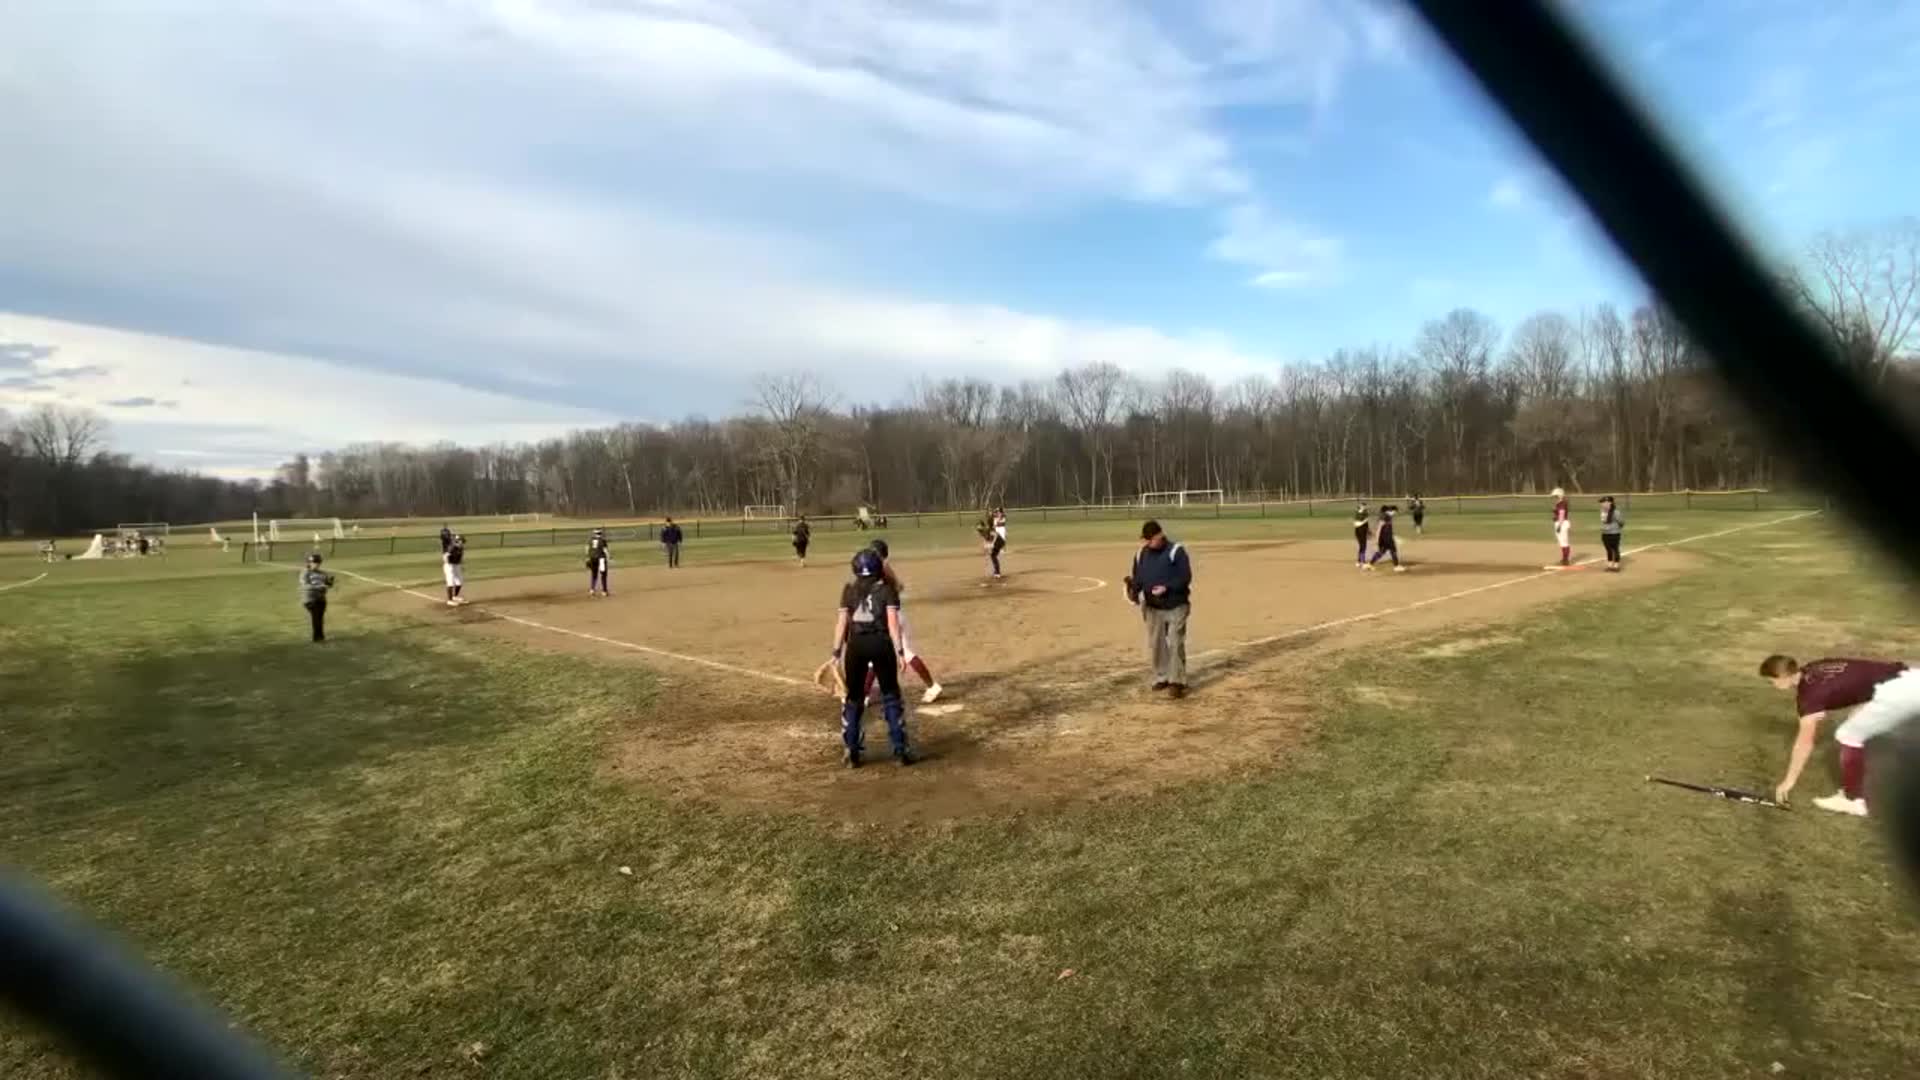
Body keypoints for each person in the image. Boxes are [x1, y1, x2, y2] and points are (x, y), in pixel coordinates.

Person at [1761, 655, 1920, 816]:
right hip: (1909, 677)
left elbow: (1805, 743)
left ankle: (1853, 801)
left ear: (1782, 677)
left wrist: (1788, 782)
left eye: (1771, 681)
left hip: (1903, 692)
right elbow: (1858, 676)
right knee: (1858, 724)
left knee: (1848, 735)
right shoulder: (1814, 666)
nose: (1772, 685)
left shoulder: (1809, 697)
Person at [828, 549, 914, 767]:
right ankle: (900, 748)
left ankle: (851, 751)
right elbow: (893, 624)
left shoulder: (849, 590)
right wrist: (900, 652)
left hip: (856, 646)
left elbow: (842, 623)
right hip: (881, 645)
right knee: (891, 695)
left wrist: (836, 653)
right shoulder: (887, 590)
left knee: (854, 697)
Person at [860, 538, 944, 704]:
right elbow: (900, 587)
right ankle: (865, 693)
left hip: (889, 617)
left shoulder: (880, 568)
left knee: (884, 654)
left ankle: (863, 695)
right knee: (890, 653)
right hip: (895, 614)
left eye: (872, 552)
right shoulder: (885, 567)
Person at [1125, 520, 1193, 699]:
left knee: (1176, 641)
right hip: (1153, 607)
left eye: (1151, 540)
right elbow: (1138, 578)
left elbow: (1185, 577)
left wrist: (1167, 588)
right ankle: (1162, 676)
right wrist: (1133, 591)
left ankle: (1177, 682)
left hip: (1176, 605)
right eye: (1146, 540)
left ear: (1159, 536)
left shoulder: (1175, 551)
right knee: (1157, 643)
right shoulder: (1141, 554)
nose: (1148, 543)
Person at [299, 552, 336, 643]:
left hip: (321, 599)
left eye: (318, 563)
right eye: (315, 562)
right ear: (309, 563)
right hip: (310, 599)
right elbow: (305, 586)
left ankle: (321, 637)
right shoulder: (305, 573)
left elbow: (328, 585)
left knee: (320, 618)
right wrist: (320, 587)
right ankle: (317, 638)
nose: (317, 564)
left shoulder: (323, 573)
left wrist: (330, 583)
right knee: (316, 618)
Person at [1366, 505, 1407, 572]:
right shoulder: (1386, 516)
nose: (1395, 514)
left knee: (1382, 551)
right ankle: (1396, 566)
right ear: (1392, 511)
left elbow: (1386, 528)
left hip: (1386, 537)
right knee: (1393, 550)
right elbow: (1379, 527)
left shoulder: (1387, 516)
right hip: (1386, 537)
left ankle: (1370, 564)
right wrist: (1377, 538)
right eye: (1395, 512)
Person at [1598, 496, 1625, 572]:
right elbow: (1603, 522)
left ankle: (1616, 565)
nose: (1602, 504)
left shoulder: (1616, 512)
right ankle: (1610, 565)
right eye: (1602, 503)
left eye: (1603, 502)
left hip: (1614, 533)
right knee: (1608, 549)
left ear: (1609, 502)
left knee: (1615, 549)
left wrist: (1615, 528)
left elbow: (1621, 522)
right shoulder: (1602, 511)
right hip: (1605, 533)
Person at [1550, 486, 1571, 567]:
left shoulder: (1562, 503)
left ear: (1559, 495)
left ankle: (1565, 560)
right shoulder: (1560, 503)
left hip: (1562, 523)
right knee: (1562, 542)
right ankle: (1564, 559)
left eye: (1556, 496)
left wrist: (1559, 525)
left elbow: (1562, 514)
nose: (1554, 498)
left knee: (1564, 542)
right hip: (1560, 523)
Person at [586, 528, 611, 596]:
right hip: (601, 559)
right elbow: (605, 550)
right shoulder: (602, 540)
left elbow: (587, 548)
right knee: (603, 575)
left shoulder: (591, 540)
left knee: (594, 574)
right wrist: (609, 557)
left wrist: (588, 557)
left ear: (594, 533)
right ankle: (604, 591)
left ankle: (592, 590)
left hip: (593, 559)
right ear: (601, 533)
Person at [443, 533, 467, 606]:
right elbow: (445, 556)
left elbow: (461, 557)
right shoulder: (452, 547)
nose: (462, 543)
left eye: (463, 542)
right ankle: (449, 600)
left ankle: (455, 597)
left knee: (459, 582)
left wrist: (461, 565)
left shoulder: (461, 548)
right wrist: (448, 564)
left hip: (457, 565)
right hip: (449, 566)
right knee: (450, 582)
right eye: (461, 541)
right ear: (457, 541)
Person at [1351, 501, 1370, 568]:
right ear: (1361, 506)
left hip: (1359, 530)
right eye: (1364, 505)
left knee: (1362, 546)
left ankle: (1359, 561)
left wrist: (1368, 530)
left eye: (1365, 506)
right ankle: (1363, 562)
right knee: (1363, 546)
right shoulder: (1363, 513)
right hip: (1360, 530)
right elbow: (1364, 522)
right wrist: (1367, 530)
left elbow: (1357, 523)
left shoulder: (1360, 512)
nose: (1365, 507)